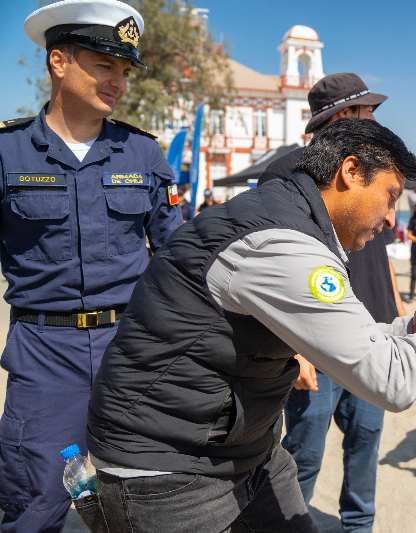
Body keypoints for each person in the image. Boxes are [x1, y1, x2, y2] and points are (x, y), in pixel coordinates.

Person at [86, 119, 416, 532]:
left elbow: (348, 339)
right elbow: (393, 380)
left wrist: (410, 329)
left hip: (241, 451)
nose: (390, 217)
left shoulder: (293, 222)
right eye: (389, 197)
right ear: (350, 172)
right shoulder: (280, 243)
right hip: (169, 472)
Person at [0, 2, 183, 530]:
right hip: (44, 356)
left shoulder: (143, 155)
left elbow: (179, 259)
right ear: (59, 62)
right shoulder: (9, 153)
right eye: (104, 64)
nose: (117, 81)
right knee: (36, 502)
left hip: (130, 350)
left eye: (124, 70)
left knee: (151, 495)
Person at [272, 72, 404, 533]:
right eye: (366, 111)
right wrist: (291, 348)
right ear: (343, 115)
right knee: (302, 455)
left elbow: (381, 247)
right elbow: (271, 272)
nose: (374, 119)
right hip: (316, 346)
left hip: (373, 336)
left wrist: (396, 306)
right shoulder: (289, 172)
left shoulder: (374, 169)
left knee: (365, 446)